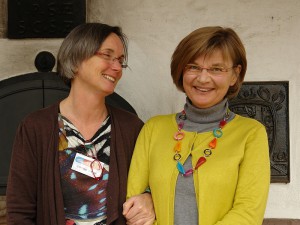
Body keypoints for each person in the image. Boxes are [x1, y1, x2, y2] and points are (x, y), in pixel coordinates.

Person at [6, 23, 154, 225]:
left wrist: (149, 197)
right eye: (107, 55)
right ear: (76, 59)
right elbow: (19, 211)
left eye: (120, 60)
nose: (117, 67)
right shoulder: (35, 127)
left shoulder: (132, 127)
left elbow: (155, 185)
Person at [125, 26, 270, 225]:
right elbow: (135, 204)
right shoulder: (153, 129)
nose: (202, 78)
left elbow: (248, 212)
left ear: (235, 75)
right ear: (181, 70)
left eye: (216, 69)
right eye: (193, 67)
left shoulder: (251, 133)